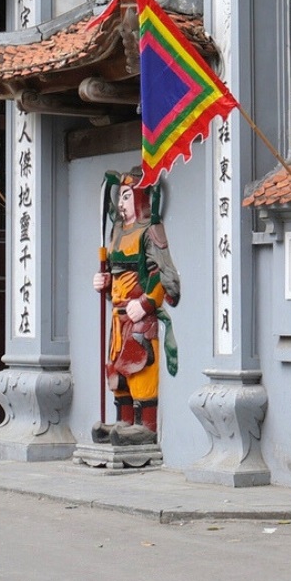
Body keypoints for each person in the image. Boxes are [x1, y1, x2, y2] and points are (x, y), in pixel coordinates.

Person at [91, 172, 180, 443]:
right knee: (117, 371)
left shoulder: (149, 231)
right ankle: (123, 420)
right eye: (120, 197)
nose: (121, 203)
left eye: (127, 196)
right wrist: (105, 282)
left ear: (140, 198)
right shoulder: (117, 233)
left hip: (139, 317)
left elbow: (162, 275)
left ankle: (145, 425)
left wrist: (145, 303)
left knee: (139, 366)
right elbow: (117, 278)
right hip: (118, 317)